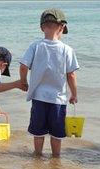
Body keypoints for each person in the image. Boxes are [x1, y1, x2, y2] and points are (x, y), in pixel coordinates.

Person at [19, 8, 80, 157]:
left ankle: (38, 156)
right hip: (58, 100)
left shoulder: (35, 46)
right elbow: (71, 75)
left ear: (41, 27)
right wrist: (74, 94)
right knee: (57, 134)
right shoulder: (67, 49)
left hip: (39, 97)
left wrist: (23, 81)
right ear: (62, 27)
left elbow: (23, 65)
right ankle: (56, 158)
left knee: (38, 132)